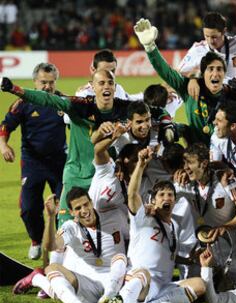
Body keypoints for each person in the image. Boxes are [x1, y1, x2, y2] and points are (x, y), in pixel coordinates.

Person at [0, 70, 143, 228]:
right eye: (101, 83)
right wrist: (15, 89)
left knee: (115, 227)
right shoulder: (79, 105)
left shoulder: (125, 109)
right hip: (76, 176)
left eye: (110, 83)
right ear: (93, 86)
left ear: (115, 87)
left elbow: (152, 112)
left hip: (107, 178)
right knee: (66, 227)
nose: (106, 87)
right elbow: (47, 99)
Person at [105, 147, 203, 303]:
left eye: (170, 195)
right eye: (162, 195)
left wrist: (191, 259)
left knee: (199, 285)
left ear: (174, 200)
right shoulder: (143, 217)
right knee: (144, 274)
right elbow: (132, 194)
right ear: (154, 200)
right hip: (137, 280)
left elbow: (168, 256)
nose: (166, 198)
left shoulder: (173, 226)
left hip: (161, 286)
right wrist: (141, 165)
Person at [134, 18, 236, 145]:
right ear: (202, 73)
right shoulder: (189, 88)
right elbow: (166, 72)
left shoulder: (233, 93)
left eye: (219, 69)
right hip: (196, 154)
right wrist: (150, 47)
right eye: (211, 69)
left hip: (225, 154)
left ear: (224, 73)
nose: (215, 73)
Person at [0, 62, 66, 260]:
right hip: (33, 163)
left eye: (51, 82)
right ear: (35, 82)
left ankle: (62, 244)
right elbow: (5, 126)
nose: (47, 86)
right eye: (43, 82)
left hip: (60, 162)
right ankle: (36, 240)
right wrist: (3, 145)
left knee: (65, 207)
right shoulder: (23, 103)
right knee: (29, 208)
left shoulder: (62, 102)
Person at [45, 187, 127, 303]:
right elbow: (51, 246)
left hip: (117, 280)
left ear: (91, 202)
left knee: (120, 257)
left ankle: (108, 298)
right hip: (87, 285)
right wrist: (50, 218)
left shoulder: (116, 217)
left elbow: (133, 240)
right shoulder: (71, 227)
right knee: (51, 268)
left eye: (86, 204)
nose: (84, 211)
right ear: (71, 212)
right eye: (78, 208)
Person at [177, 12, 236, 81]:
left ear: (224, 31)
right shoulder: (198, 49)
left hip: (235, 91)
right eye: (207, 36)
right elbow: (179, 72)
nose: (210, 41)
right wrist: (195, 77)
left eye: (214, 37)